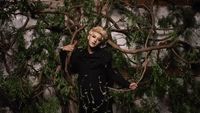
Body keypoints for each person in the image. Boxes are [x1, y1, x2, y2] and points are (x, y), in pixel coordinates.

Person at [60, 26, 137, 113]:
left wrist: (127, 84)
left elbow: (112, 74)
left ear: (100, 42)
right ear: (88, 36)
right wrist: (63, 52)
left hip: (101, 99)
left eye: (99, 39)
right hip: (85, 100)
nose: (95, 40)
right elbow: (70, 70)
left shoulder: (104, 55)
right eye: (93, 36)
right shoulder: (79, 53)